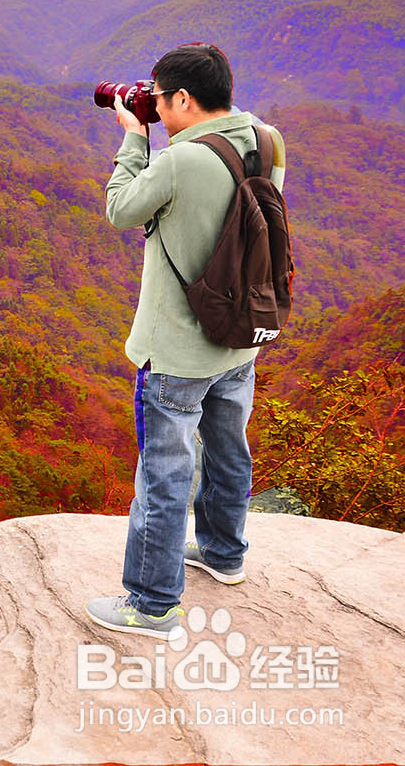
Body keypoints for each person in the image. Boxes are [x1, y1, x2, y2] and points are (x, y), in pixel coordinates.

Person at [85, 43, 286, 641]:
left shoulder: (180, 160)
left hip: (177, 348)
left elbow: (121, 209)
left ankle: (150, 604)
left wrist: (132, 137)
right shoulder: (269, 140)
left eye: (158, 95)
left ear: (180, 98)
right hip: (240, 336)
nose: (153, 105)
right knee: (228, 447)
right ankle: (225, 553)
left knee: (165, 470)